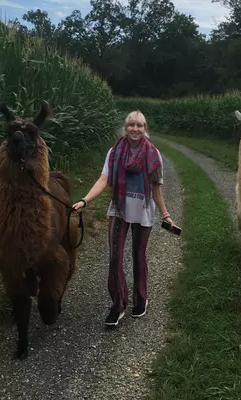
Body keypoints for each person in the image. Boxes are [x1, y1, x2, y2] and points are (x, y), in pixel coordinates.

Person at [72, 110, 174, 326]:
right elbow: (103, 179)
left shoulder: (153, 155)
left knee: (138, 256)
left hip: (143, 211)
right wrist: (85, 200)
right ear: (125, 127)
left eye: (139, 125)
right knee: (115, 258)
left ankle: (141, 298)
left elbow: (156, 189)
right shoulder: (114, 151)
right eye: (131, 125)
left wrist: (165, 214)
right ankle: (118, 304)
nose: (135, 129)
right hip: (119, 210)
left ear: (145, 129)